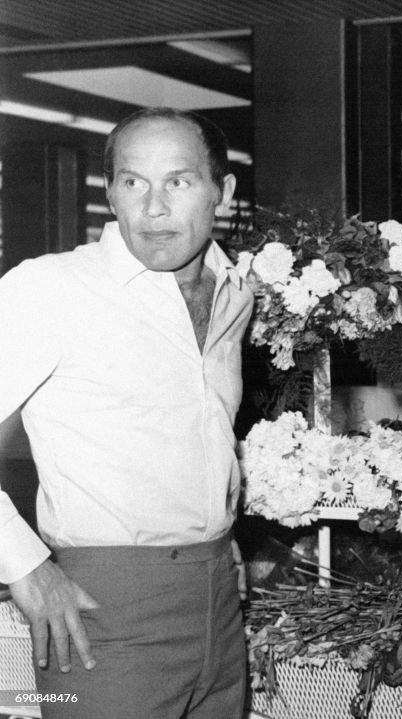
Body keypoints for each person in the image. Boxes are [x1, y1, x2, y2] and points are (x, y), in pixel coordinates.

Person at [0, 107, 254, 718]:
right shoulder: (51, 289)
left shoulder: (234, 291)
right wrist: (27, 568)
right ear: (111, 193)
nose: (154, 206)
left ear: (223, 191)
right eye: (133, 182)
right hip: (104, 609)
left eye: (179, 180)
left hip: (220, 595)